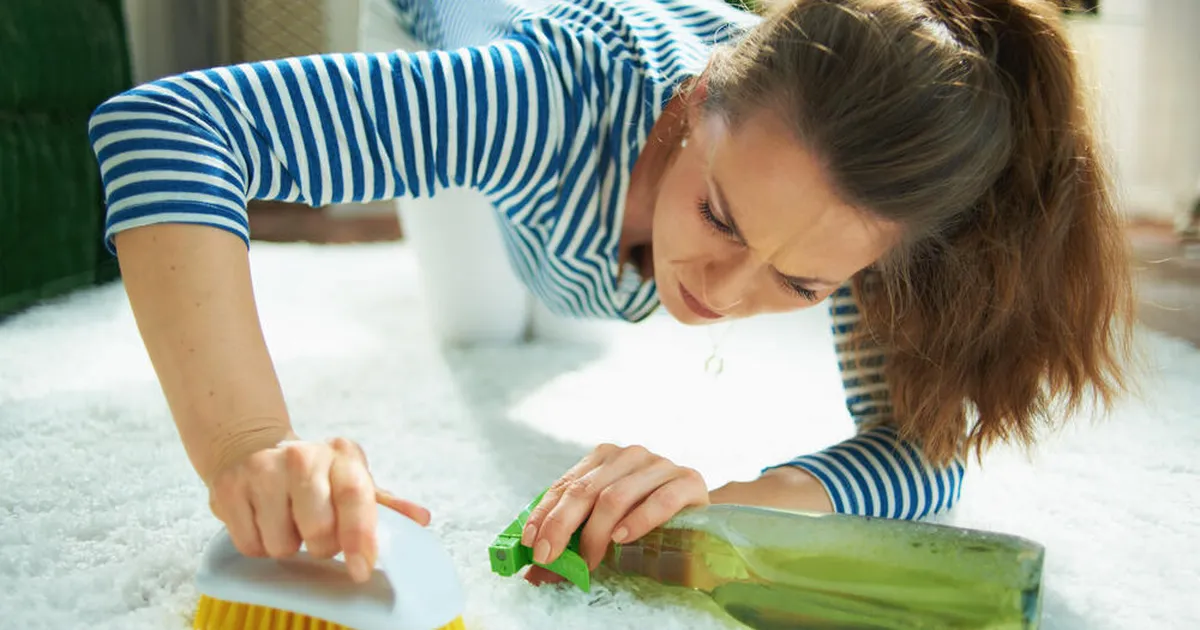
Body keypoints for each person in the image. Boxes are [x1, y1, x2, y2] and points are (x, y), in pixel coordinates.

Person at [87, 0, 1133, 585]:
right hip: (454, 33)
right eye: (721, 217)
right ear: (690, 109)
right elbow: (165, 129)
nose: (724, 292)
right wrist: (248, 445)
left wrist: (725, 504)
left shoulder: (843, 206)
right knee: (485, 333)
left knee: (567, 307)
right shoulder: (532, 109)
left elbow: (927, 454)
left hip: (607, 192)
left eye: (801, 281)